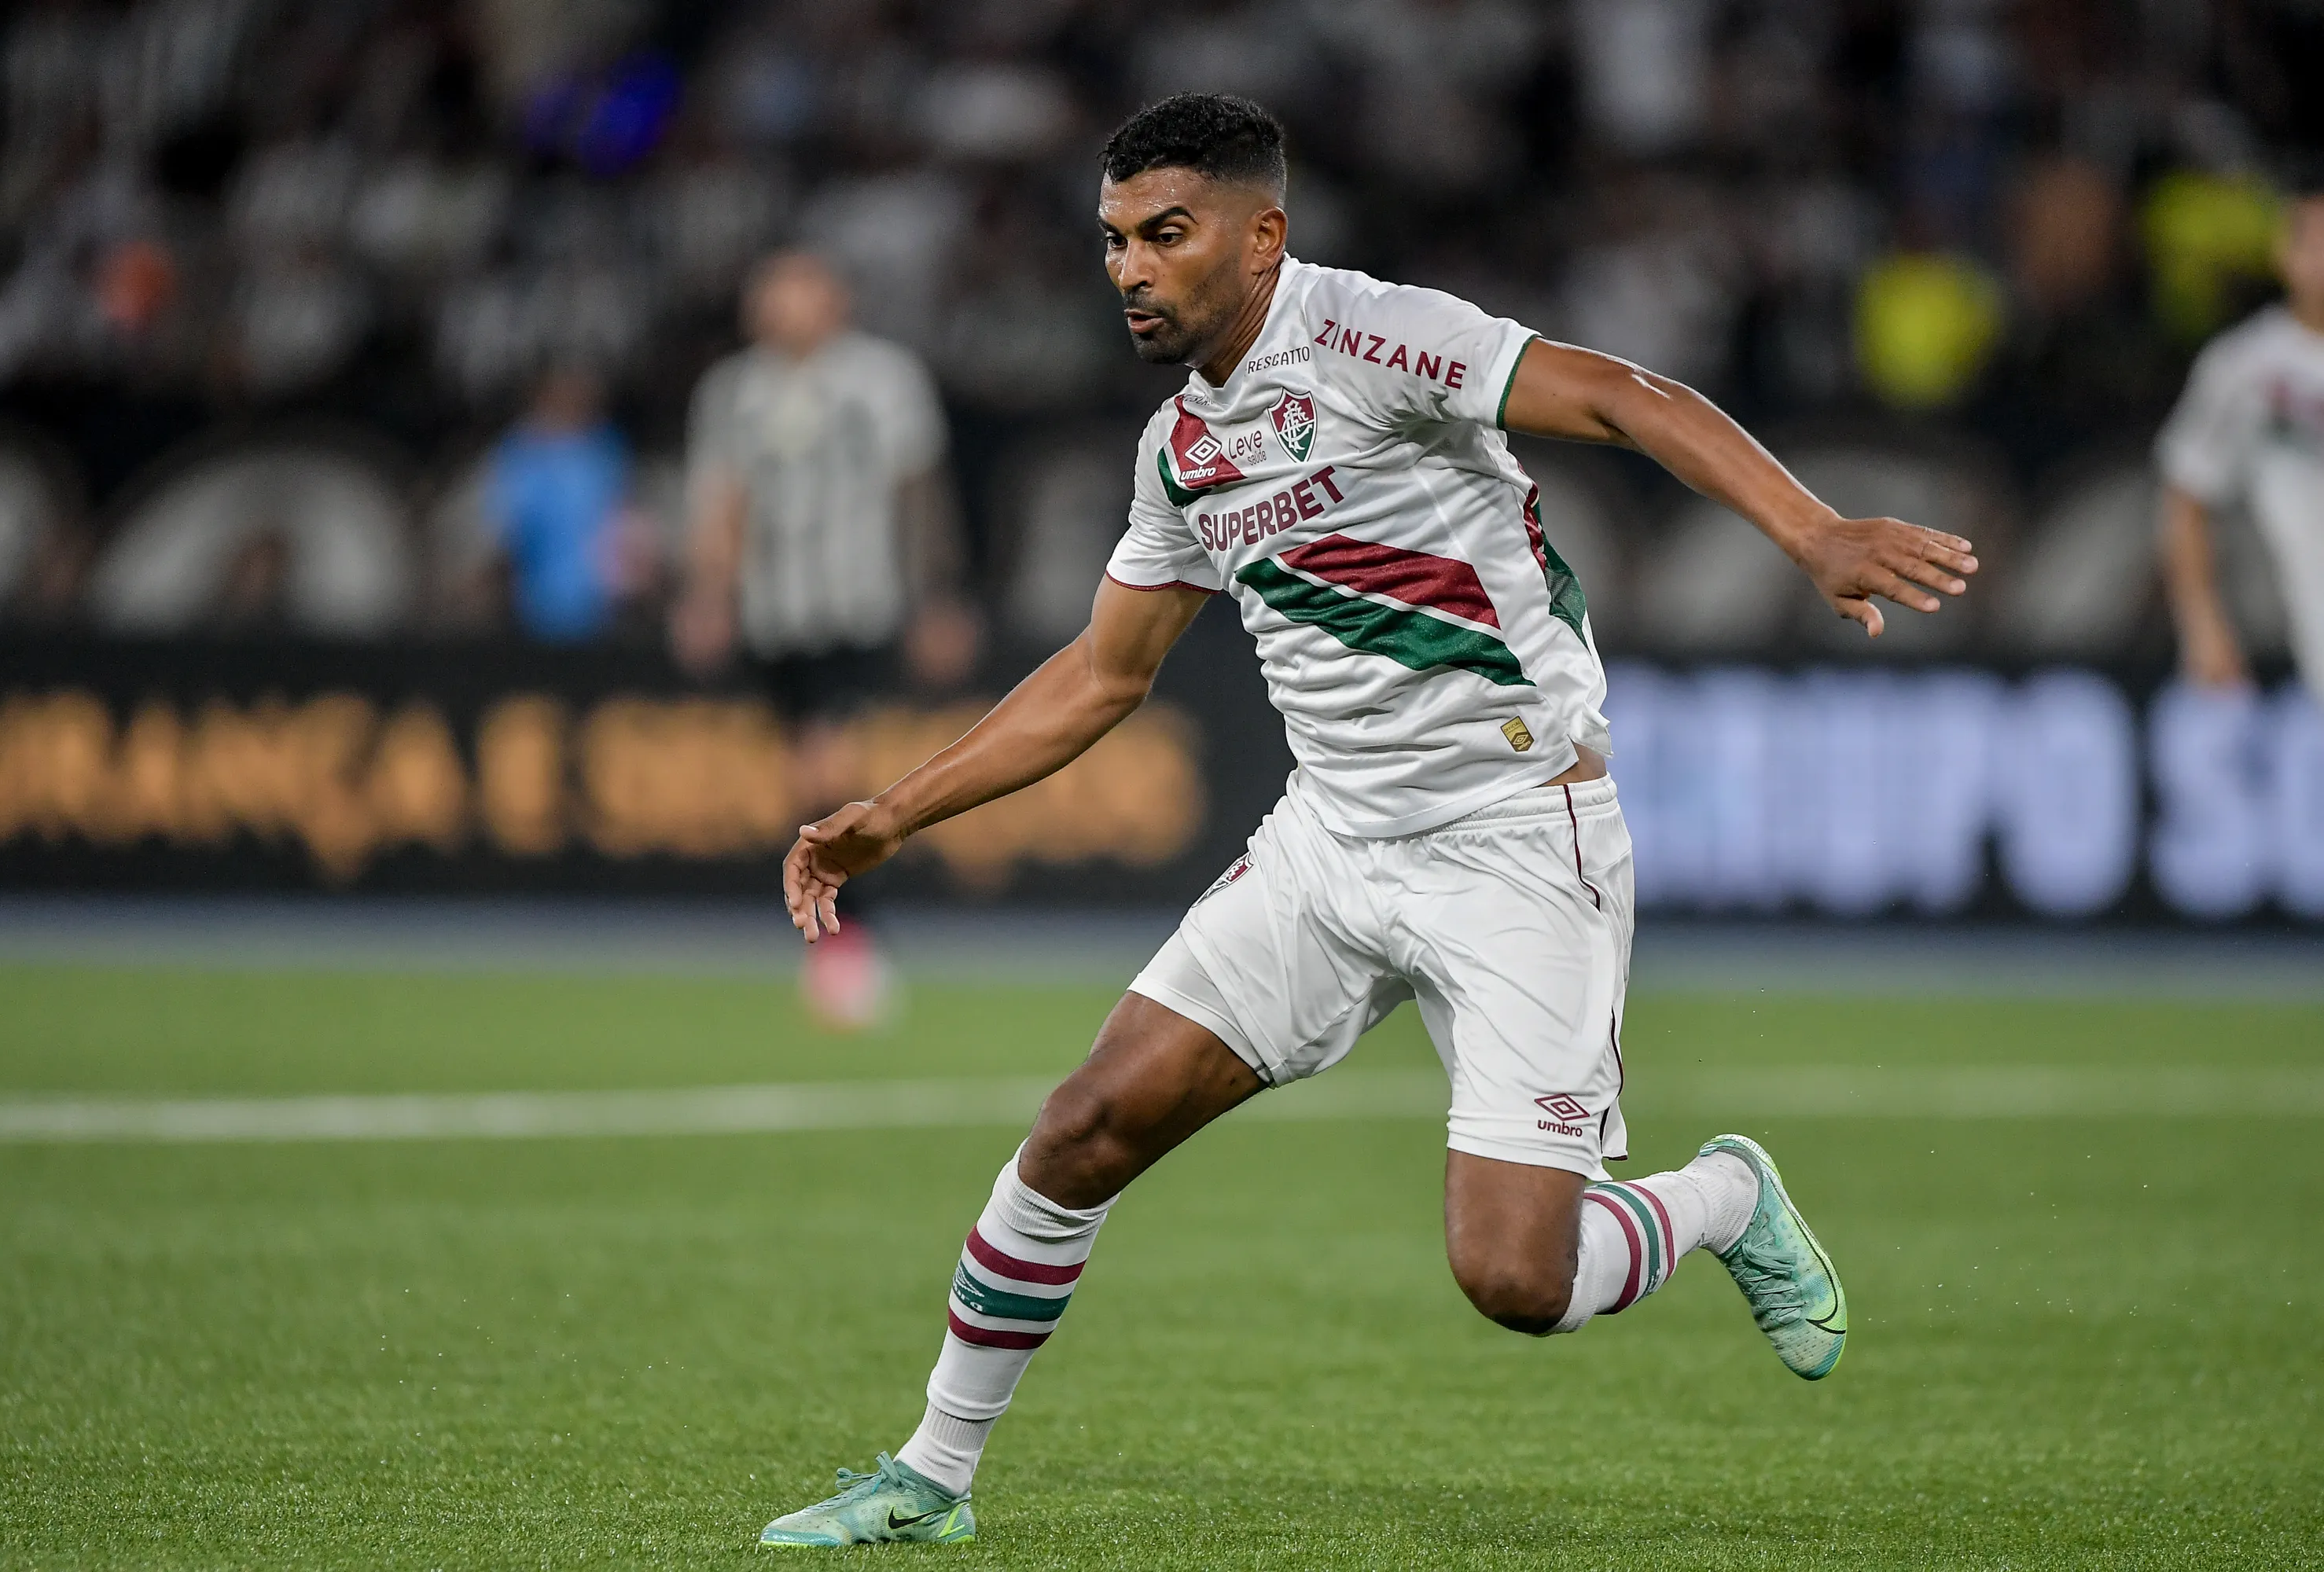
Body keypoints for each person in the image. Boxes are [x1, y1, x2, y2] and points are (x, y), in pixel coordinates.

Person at [759, 95, 1977, 1548]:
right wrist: (895, 815)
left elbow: (1617, 397)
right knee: (1082, 1128)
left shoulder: (1373, 337)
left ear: (1263, 237)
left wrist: (1811, 530)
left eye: (1166, 234)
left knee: (1518, 1282)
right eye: (1113, 243)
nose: (1131, 270)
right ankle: (930, 1480)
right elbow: (1101, 675)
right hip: (1331, 847)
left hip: (1520, 841)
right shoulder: (1181, 451)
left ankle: (1721, 1194)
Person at [672, 250, 976, 1026]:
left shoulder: (882, 380)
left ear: (834, 299)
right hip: (775, 613)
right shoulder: (733, 391)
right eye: (769, 290)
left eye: (796, 290)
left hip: (857, 602)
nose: (777, 305)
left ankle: (851, 944)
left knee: (828, 762)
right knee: (806, 775)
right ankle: (843, 933)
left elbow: (919, 492)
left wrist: (936, 596)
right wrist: (709, 594)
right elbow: (723, 500)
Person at [2156, 177, 2324, 706]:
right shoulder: (2245, 367)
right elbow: (2186, 495)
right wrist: (2203, 625)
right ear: (2285, 254)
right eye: (2313, 242)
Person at [480, 363, 644, 643]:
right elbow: (505, 530)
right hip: (532, 606)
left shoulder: (607, 449)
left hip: (600, 607)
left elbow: (623, 521)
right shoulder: (519, 452)